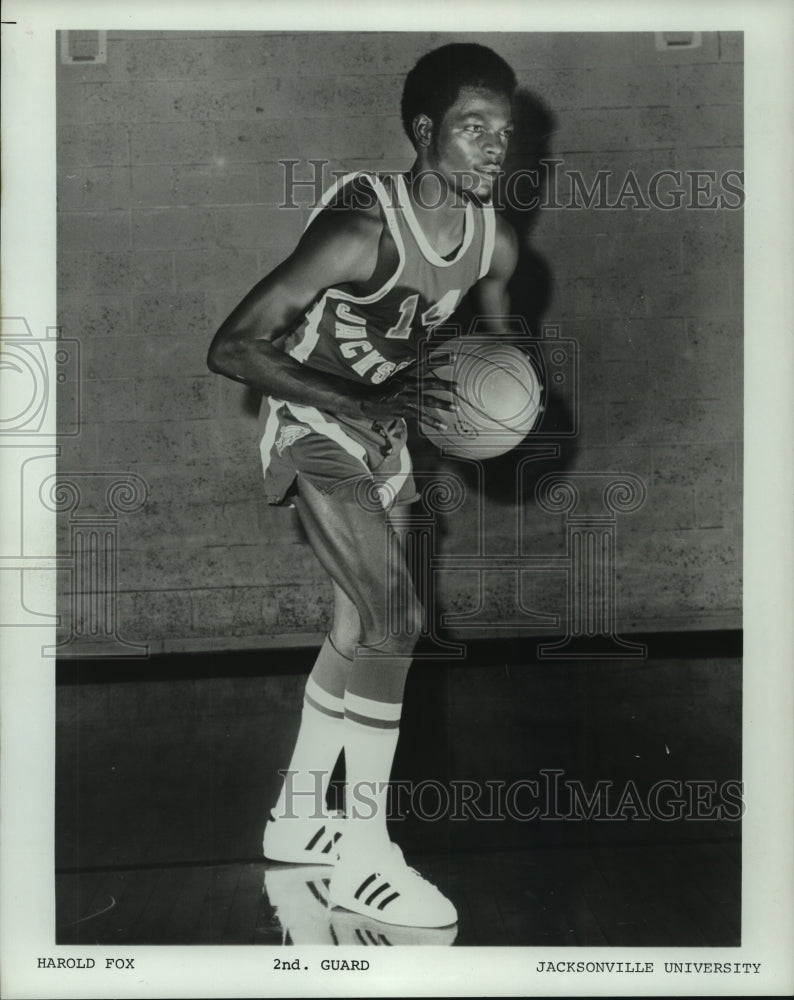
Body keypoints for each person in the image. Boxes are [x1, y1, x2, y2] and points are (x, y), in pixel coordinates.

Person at [207, 42, 518, 929]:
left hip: (382, 436)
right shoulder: (362, 227)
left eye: (506, 130)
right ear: (425, 132)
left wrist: (500, 400)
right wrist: (365, 396)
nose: (495, 147)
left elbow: (488, 356)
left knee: (357, 626)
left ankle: (301, 815)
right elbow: (234, 348)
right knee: (394, 618)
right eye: (473, 127)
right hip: (314, 422)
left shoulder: (494, 245)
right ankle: (363, 858)